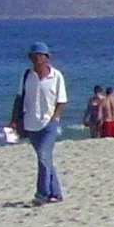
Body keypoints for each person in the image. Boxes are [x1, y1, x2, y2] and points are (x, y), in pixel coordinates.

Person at [17, 43, 67, 205]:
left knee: (43, 156)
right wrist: (15, 120)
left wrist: (55, 118)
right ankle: (56, 193)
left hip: (49, 124)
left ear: (47, 57)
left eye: (40, 55)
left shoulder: (56, 76)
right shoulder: (27, 75)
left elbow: (62, 101)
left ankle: (41, 194)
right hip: (31, 123)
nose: (37, 58)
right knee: (45, 159)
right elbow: (19, 98)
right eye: (34, 56)